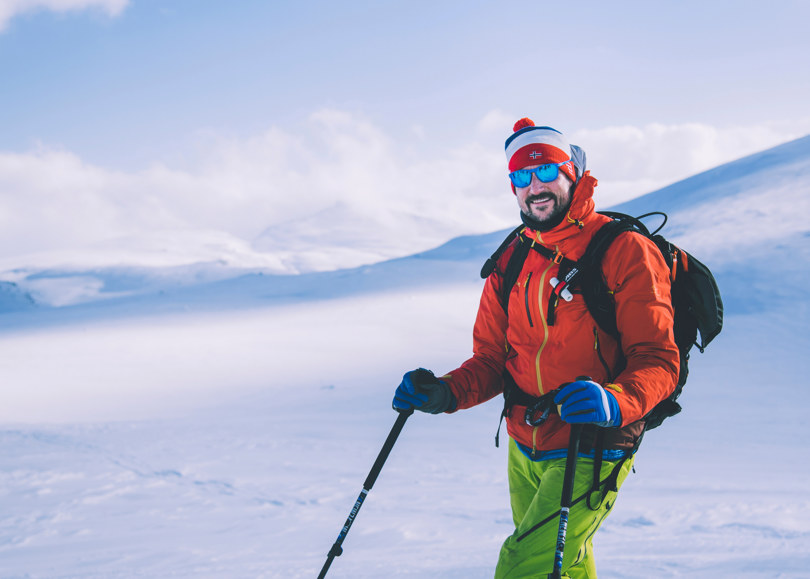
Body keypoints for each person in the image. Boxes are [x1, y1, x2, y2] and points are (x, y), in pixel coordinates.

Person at [392, 118, 680, 578]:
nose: (534, 186)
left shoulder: (622, 249)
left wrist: (614, 400)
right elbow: (490, 361)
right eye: (521, 177)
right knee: (564, 565)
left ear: (573, 173)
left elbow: (659, 359)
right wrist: (443, 393)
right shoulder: (512, 259)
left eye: (547, 171)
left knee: (521, 567)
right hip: (524, 444)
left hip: (593, 444)